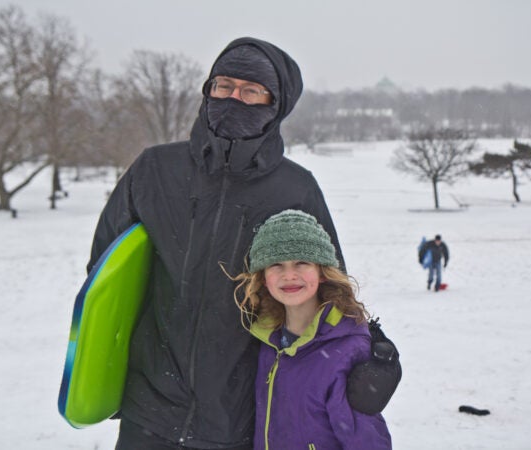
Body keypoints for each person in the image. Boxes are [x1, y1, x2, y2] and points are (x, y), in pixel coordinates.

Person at [86, 37, 399, 449]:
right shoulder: (155, 170)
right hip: (150, 410)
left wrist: (369, 348)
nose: (234, 97)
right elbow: (106, 275)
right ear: (207, 90)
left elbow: (321, 287)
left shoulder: (295, 188)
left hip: (242, 415)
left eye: (251, 90)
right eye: (224, 86)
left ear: (276, 104)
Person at [232, 210, 392, 449]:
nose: (289, 275)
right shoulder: (268, 340)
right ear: (264, 277)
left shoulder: (347, 350)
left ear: (322, 272)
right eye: (276, 264)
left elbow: (367, 441)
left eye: (302, 262)